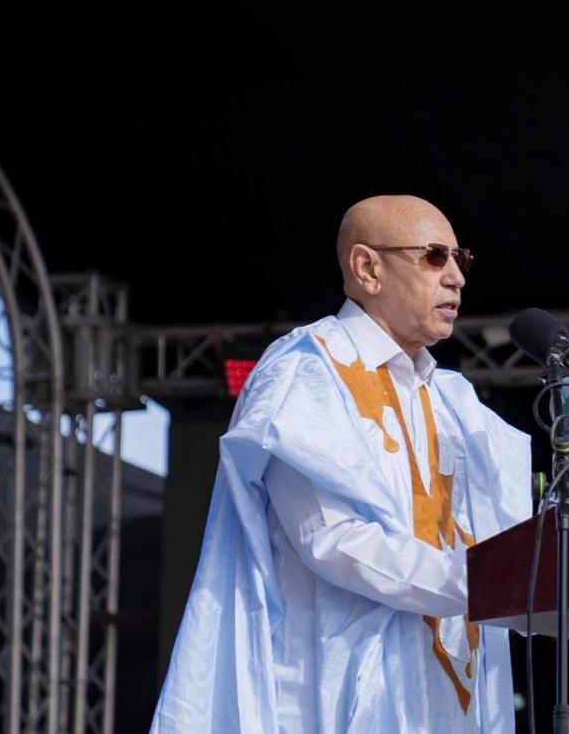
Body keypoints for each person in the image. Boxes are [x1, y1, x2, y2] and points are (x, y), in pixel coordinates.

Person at [151, 195, 532, 733]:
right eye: (434, 256)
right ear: (367, 268)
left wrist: (542, 576)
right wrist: (495, 580)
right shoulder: (309, 367)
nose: (456, 278)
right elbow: (332, 539)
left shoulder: (453, 400)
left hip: (438, 704)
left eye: (460, 259)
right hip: (333, 700)